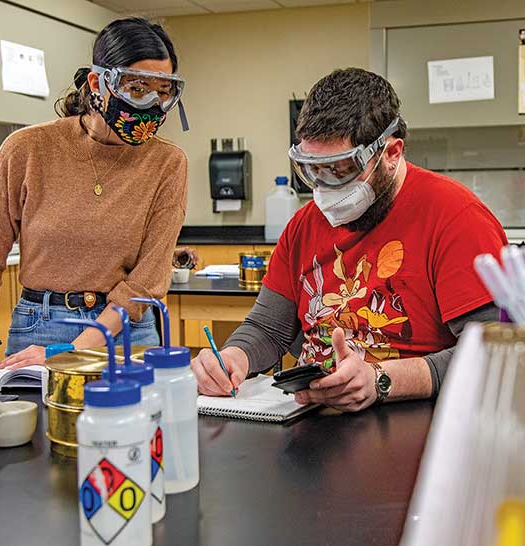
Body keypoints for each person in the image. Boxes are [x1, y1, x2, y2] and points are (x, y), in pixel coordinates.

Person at [192, 68, 507, 412]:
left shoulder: (455, 217)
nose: (326, 188)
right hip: (311, 420)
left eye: (341, 170)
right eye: (313, 169)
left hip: (408, 418)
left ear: (391, 153)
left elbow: (494, 351)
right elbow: (267, 328)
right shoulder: (303, 225)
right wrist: (232, 359)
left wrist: (382, 381)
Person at [0, 17, 189, 369]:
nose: (150, 104)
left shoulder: (167, 163)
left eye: (163, 92)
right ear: (98, 82)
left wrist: (71, 353)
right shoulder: (27, 149)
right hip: (41, 327)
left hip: (127, 332)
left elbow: (146, 281)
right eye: (136, 89)